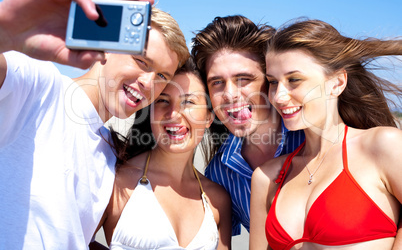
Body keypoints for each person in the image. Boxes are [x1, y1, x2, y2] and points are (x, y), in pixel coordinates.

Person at [0, 0, 189, 249]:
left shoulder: (112, 155)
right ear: (107, 47)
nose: (149, 83)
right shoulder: (39, 87)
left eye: (161, 75)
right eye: (140, 60)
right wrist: (5, 30)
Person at [250, 18, 402, 250]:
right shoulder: (266, 177)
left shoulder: (382, 146)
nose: (278, 96)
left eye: (294, 80)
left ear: (337, 83)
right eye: (273, 82)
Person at [91, 59, 232, 249]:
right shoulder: (116, 182)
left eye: (188, 101)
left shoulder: (217, 198)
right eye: (163, 100)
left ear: (209, 117)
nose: (173, 113)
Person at [191, 15, 305, 236]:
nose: (230, 95)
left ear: (270, 82)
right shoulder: (218, 174)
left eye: (243, 79)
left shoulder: (314, 139)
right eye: (217, 82)